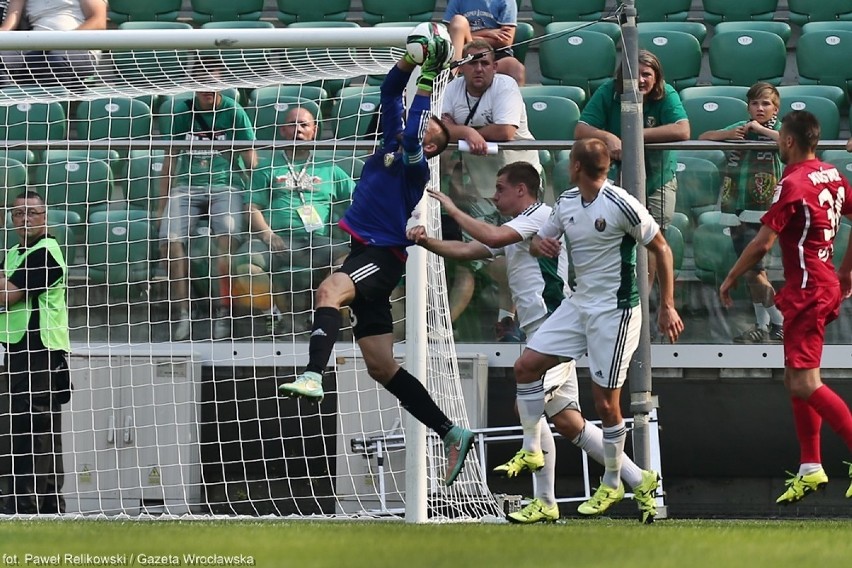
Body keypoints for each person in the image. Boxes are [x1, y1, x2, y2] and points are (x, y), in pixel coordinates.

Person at [407, 161, 661, 524]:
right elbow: (471, 251)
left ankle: (544, 500)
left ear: (521, 191)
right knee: (568, 421)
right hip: (540, 329)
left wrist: (449, 207)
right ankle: (640, 480)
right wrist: (425, 241)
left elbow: (492, 237)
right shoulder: (518, 228)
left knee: (526, 406)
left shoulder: (539, 217)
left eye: (500, 189)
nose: (494, 196)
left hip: (555, 325)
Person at [277, 41, 477, 487]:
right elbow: (390, 94)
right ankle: (451, 431)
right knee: (382, 366)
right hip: (364, 252)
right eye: (426, 131)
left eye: (433, 138)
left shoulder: (415, 167)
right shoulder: (391, 143)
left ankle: (313, 373)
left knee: (329, 291)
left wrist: (426, 83)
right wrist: (409, 63)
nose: (425, 136)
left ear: (434, 148)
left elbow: (411, 135)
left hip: (381, 257)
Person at [506, 138, 683, 520]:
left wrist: (666, 305)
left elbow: (662, 248)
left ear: (574, 166)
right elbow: (540, 242)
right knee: (526, 367)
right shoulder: (568, 202)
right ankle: (531, 448)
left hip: (615, 313)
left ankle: (614, 480)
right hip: (578, 305)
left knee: (606, 405)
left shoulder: (620, 203)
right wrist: (542, 247)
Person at [721, 110, 852, 504]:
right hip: (820, 282)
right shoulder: (830, 174)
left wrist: (731, 276)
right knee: (795, 377)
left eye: (780, 136)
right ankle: (810, 466)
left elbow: (763, 242)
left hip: (808, 289)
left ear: (789, 141)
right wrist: (846, 271)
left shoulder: (793, 183)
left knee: (805, 382)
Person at [441, 39, 541, 336]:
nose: (480, 68)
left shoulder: (505, 86)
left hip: (521, 180)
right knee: (477, 258)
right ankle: (460, 327)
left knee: (522, 252)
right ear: (462, 67)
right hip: (481, 185)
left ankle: (514, 320)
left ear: (495, 66)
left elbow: (505, 131)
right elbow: (441, 129)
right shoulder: (451, 90)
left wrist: (461, 132)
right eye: (473, 62)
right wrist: (467, 132)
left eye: (486, 62)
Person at [159, 74, 258, 341]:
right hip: (186, 187)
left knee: (226, 236)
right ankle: (184, 313)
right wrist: (162, 204)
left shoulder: (234, 111)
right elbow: (170, 156)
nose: (208, 90)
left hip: (225, 187)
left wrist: (256, 191)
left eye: (213, 84)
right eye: (202, 84)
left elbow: (251, 156)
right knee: (170, 242)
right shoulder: (181, 112)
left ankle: (223, 311)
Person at [243, 106, 354, 334]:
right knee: (244, 265)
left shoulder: (330, 169)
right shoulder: (267, 167)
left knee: (349, 262)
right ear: (283, 130)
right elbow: (251, 207)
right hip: (277, 241)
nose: (298, 129)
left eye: (304, 125)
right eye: (293, 124)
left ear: (314, 130)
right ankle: (277, 316)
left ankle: (323, 313)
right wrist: (267, 234)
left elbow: (359, 201)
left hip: (317, 242)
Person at [0, 191, 71, 514]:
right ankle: (49, 503)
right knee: (37, 425)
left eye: (31, 212)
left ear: (45, 217)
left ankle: (27, 503)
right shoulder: (14, 253)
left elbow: (8, 296)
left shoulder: (47, 252)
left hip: (40, 348)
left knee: (35, 425)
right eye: (18, 214)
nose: (24, 218)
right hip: (17, 347)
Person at [699, 82, 785, 344]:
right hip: (735, 205)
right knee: (750, 269)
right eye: (755, 103)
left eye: (766, 104)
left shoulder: (779, 129)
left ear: (776, 108)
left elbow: (790, 143)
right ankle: (763, 324)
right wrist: (728, 135)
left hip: (764, 209)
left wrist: (760, 131)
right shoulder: (740, 127)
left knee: (753, 268)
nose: (760, 108)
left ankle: (780, 321)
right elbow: (703, 137)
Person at [575, 49, 690, 231]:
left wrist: (632, 135)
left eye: (646, 74)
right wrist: (607, 136)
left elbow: (683, 130)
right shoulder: (608, 90)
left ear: (656, 76)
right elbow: (581, 129)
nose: (641, 80)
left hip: (658, 177)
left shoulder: (667, 92)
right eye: (634, 75)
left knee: (655, 235)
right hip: (617, 176)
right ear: (622, 77)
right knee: (616, 231)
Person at [0, 0, 107, 87]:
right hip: (37, 47)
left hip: (78, 47)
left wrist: (62, 41)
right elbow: (7, 28)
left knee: (54, 60)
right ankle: (7, 107)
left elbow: (98, 21)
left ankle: (51, 110)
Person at [443, 0, 525, 85]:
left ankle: (516, 97)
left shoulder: (507, 1)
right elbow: (451, 35)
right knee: (458, 20)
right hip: (465, 54)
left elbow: (506, 40)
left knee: (516, 68)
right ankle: (452, 78)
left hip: (495, 54)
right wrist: (487, 32)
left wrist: (464, 34)